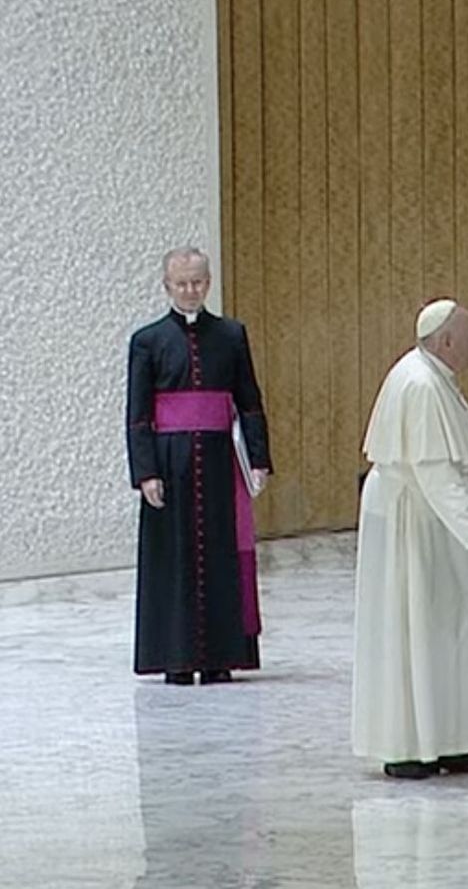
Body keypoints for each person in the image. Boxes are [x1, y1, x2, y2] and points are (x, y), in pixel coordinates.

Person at [351, 299, 468, 779]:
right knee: (416, 629)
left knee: (442, 632)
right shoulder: (423, 384)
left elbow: (452, 453)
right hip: (418, 528)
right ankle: (412, 745)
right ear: (446, 341)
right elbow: (431, 472)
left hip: (435, 530)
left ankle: (450, 739)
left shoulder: (437, 379)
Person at [125, 247, 271, 685]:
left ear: (209, 283)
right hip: (170, 467)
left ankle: (220, 657)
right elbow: (137, 415)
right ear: (167, 285)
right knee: (174, 559)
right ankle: (176, 657)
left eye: (198, 282)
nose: (191, 291)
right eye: (181, 283)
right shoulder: (147, 341)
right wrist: (145, 472)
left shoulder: (231, 334)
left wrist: (259, 460)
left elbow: (249, 402)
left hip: (220, 463)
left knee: (221, 556)